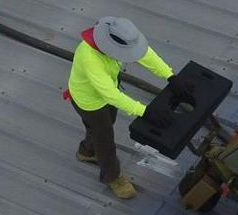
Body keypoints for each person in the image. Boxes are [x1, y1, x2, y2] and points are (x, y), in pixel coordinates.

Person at [65, 16, 174, 200]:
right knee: (105, 140)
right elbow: (111, 95)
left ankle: (87, 151)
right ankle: (112, 177)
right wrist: (145, 112)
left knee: (105, 125)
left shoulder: (113, 39)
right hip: (91, 103)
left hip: (105, 93)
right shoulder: (90, 58)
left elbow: (144, 53)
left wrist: (170, 76)